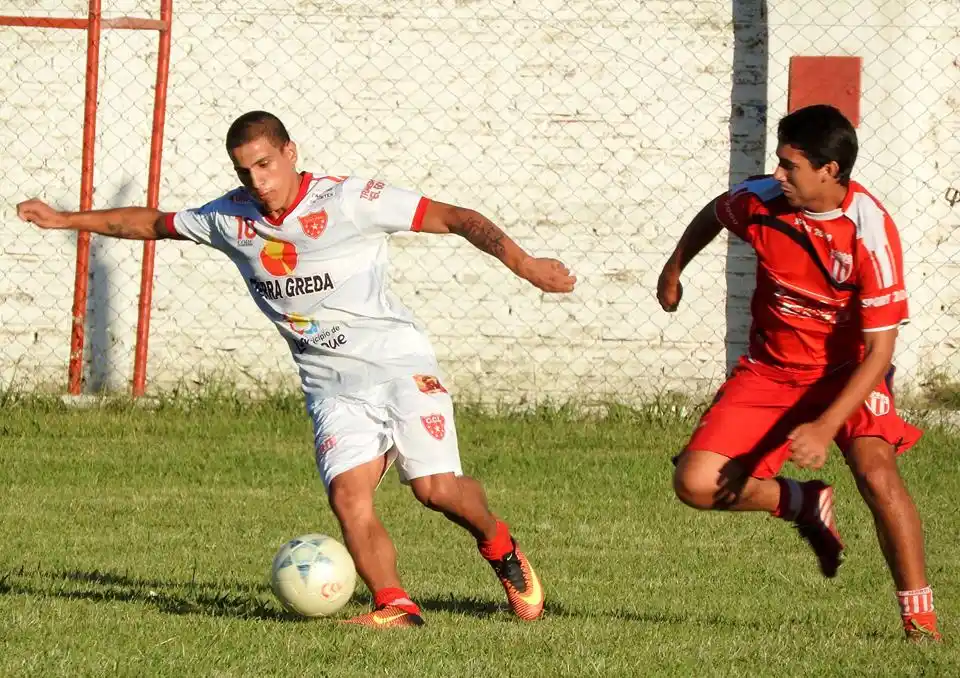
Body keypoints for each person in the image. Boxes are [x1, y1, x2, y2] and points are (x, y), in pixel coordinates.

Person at [17, 110, 576, 628]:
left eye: (265, 164)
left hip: (397, 364)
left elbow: (456, 218)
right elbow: (151, 223)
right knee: (348, 498)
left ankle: (499, 543)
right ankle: (395, 603)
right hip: (329, 385)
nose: (257, 180)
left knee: (435, 491)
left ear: (289, 152)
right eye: (245, 170)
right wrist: (66, 219)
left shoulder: (350, 200)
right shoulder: (229, 218)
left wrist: (524, 265)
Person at [656, 104, 939, 641]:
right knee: (694, 483)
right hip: (771, 371)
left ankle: (919, 617)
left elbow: (879, 352)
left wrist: (827, 425)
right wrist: (674, 268)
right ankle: (803, 501)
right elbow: (716, 212)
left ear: (830, 170)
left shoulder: (869, 234)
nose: (777, 175)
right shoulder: (762, 200)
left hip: (848, 370)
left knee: (877, 473)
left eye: (790, 165)